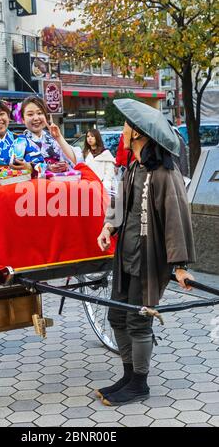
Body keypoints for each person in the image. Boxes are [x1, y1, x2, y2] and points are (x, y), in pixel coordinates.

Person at [97, 99, 196, 406]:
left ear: (138, 133)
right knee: (117, 316)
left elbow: (176, 219)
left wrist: (179, 265)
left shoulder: (164, 174)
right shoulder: (133, 168)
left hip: (147, 259)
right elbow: (118, 204)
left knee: (139, 321)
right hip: (125, 258)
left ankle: (140, 383)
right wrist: (107, 228)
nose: (123, 130)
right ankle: (128, 375)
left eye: (127, 126)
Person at [20, 96, 82, 173]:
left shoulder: (52, 139)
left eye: (40, 113)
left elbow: (75, 161)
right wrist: (47, 168)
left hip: (58, 183)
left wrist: (59, 137)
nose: (36, 118)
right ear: (23, 119)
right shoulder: (19, 142)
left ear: (46, 116)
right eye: (30, 114)